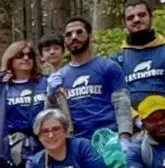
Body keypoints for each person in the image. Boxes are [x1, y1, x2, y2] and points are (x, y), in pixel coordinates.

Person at [46, 17, 133, 145]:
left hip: (110, 138)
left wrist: (124, 137)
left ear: (90, 36)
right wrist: (50, 96)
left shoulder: (109, 67)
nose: (74, 37)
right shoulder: (60, 76)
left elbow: (122, 104)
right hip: (77, 143)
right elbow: (53, 116)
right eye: (68, 34)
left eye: (79, 32)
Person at [117, 0, 165, 108]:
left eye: (141, 15)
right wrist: (135, 119)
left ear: (151, 18)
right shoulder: (117, 60)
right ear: (125, 24)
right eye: (130, 17)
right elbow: (116, 97)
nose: (136, 19)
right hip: (132, 122)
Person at [2, 40, 46, 167]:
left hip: (45, 141)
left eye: (30, 55)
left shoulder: (45, 82)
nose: (26, 58)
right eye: (20, 55)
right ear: (10, 59)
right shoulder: (3, 87)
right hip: (13, 145)